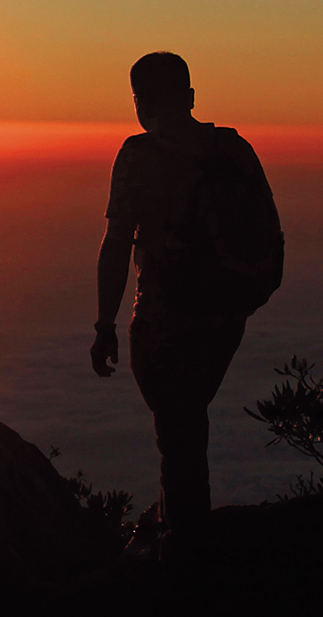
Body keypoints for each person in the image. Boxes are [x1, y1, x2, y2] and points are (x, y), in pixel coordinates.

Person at [90, 52, 284, 559]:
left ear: (140, 102)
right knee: (187, 421)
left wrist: (104, 323)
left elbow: (116, 243)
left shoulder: (139, 155)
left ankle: (185, 549)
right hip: (226, 314)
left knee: (177, 430)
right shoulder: (234, 149)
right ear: (191, 97)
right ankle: (179, 527)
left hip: (166, 313)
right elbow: (267, 230)